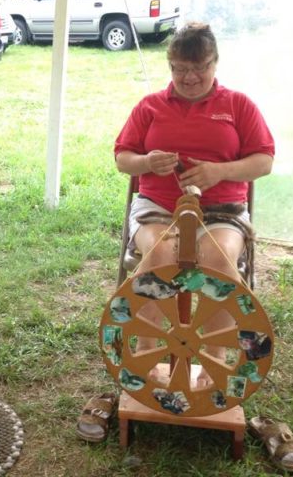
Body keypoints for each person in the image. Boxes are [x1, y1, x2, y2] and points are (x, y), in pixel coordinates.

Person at [113, 21, 274, 381]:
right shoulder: (150, 106)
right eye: (180, 69)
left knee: (219, 258)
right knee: (160, 254)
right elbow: (123, 157)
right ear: (170, 66)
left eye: (199, 68)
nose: (189, 78)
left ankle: (212, 356)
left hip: (222, 211)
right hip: (158, 208)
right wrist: (146, 162)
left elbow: (263, 161)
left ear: (215, 63)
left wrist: (220, 171)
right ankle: (149, 352)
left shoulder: (238, 105)